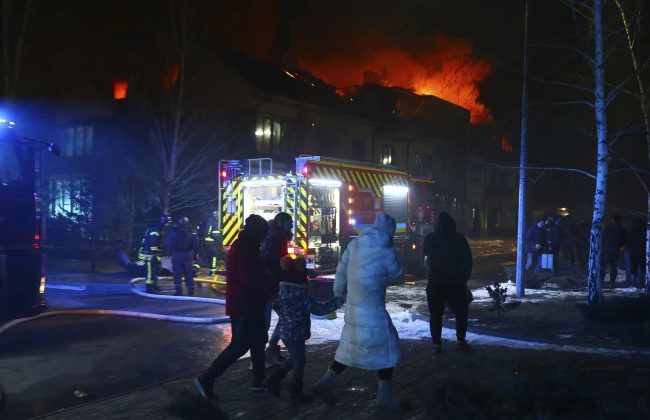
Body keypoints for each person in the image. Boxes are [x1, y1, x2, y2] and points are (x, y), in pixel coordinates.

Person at [311, 211, 406, 411]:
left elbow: (341, 270)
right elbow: (398, 273)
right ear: (389, 232)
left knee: (349, 348)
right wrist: (395, 252)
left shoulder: (354, 245)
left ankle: (325, 383)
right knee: (388, 348)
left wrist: (337, 293)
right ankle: (383, 397)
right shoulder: (386, 249)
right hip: (374, 312)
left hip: (353, 310)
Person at [194, 215, 271, 401]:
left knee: (259, 341)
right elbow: (251, 280)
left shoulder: (248, 246)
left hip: (251, 304)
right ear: (256, 232)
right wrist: (271, 283)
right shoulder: (245, 250)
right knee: (240, 345)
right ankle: (206, 379)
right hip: (244, 306)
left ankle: (259, 381)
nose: (264, 237)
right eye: (263, 233)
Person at [265, 255, 343, 403]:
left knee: (296, 359)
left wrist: (286, 316)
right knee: (300, 361)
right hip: (295, 331)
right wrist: (337, 302)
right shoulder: (300, 293)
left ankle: (273, 380)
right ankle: (294, 391)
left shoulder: (283, 289)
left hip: (286, 330)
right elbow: (317, 309)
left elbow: (276, 305)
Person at [423, 212, 473, 354]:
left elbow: (425, 253)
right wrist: (463, 279)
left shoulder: (430, 238)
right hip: (455, 282)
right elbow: (468, 261)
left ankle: (436, 343)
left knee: (435, 314)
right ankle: (460, 339)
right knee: (461, 311)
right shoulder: (459, 239)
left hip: (436, 282)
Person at [260, 212, 293, 362]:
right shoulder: (272, 240)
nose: (291, 225)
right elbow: (265, 263)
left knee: (286, 316)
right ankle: (260, 356)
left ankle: (270, 349)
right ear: (280, 223)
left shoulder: (280, 238)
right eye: (289, 222)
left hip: (276, 287)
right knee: (265, 322)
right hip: (268, 288)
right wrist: (276, 281)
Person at [138, 215, 171, 293]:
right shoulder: (155, 229)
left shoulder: (159, 228)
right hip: (149, 254)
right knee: (150, 272)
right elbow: (153, 244)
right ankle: (149, 288)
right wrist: (157, 250)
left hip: (153, 253)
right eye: (167, 223)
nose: (168, 224)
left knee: (156, 271)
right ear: (164, 222)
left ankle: (154, 285)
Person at [167, 217, 198, 296]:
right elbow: (195, 244)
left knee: (177, 274)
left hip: (176, 255)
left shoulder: (174, 231)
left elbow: (170, 244)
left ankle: (178, 292)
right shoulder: (192, 231)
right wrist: (194, 254)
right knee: (188, 273)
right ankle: (191, 291)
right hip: (187, 255)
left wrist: (169, 253)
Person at [601, 215, 627, 286]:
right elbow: (623, 241)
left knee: (603, 267)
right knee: (613, 267)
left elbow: (602, 237)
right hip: (615, 250)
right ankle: (612, 283)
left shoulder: (607, 227)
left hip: (605, 249)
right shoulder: (622, 229)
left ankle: (600, 282)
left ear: (613, 220)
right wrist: (619, 246)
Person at [625, 215, 646, 288]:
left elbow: (629, 241)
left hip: (633, 252)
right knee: (643, 267)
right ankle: (643, 281)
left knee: (634, 267)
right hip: (643, 252)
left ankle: (633, 281)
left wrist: (627, 247)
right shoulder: (644, 230)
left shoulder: (632, 230)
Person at [199, 211, 221, 276]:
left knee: (203, 256)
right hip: (210, 241)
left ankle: (195, 268)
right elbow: (215, 234)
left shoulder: (205, 220)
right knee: (213, 256)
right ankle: (212, 272)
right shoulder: (214, 222)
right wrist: (219, 241)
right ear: (216, 216)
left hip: (202, 241)